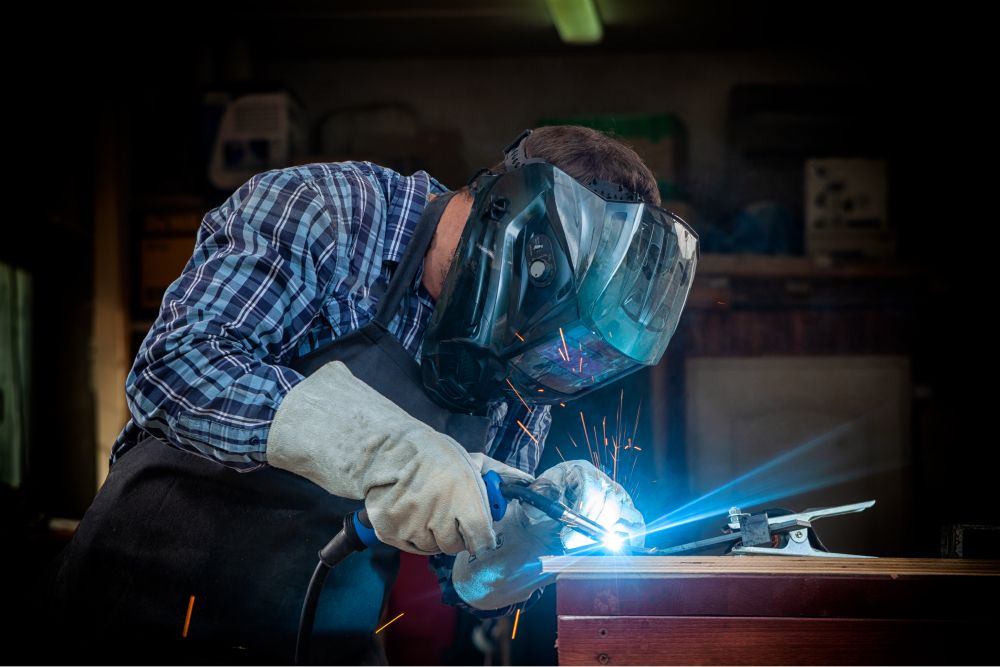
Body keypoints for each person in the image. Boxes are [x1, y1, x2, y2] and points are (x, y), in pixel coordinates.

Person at [48, 125, 698, 663]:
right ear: (508, 221)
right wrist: (376, 447)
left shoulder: (529, 363)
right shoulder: (327, 213)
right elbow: (174, 367)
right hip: (141, 612)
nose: (522, 371)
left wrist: (517, 540)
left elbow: (463, 573)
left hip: (323, 636)